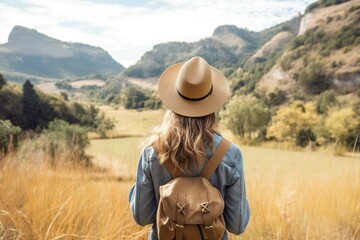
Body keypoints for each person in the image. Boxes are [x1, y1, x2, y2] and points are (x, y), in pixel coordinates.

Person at [129, 56, 250, 239]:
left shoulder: (152, 152)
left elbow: (141, 216)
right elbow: (237, 225)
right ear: (212, 106)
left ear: (173, 103)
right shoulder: (230, 154)